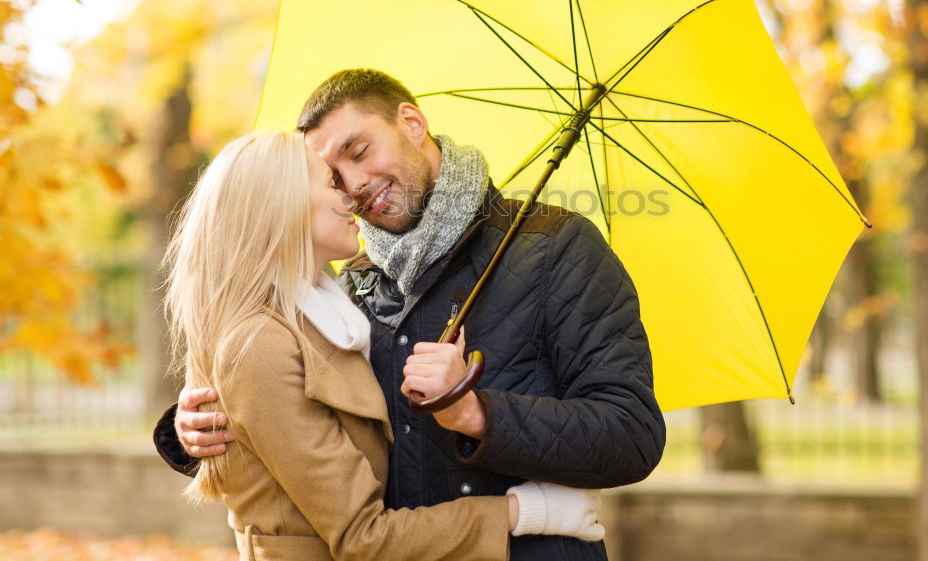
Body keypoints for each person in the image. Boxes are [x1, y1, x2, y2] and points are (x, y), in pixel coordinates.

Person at [155, 69, 666, 560]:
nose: (353, 185)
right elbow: (301, 431)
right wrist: (195, 431)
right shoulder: (346, 283)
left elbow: (632, 435)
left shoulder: (555, 247)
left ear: (412, 124)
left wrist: (476, 414)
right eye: (334, 176)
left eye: (359, 151)